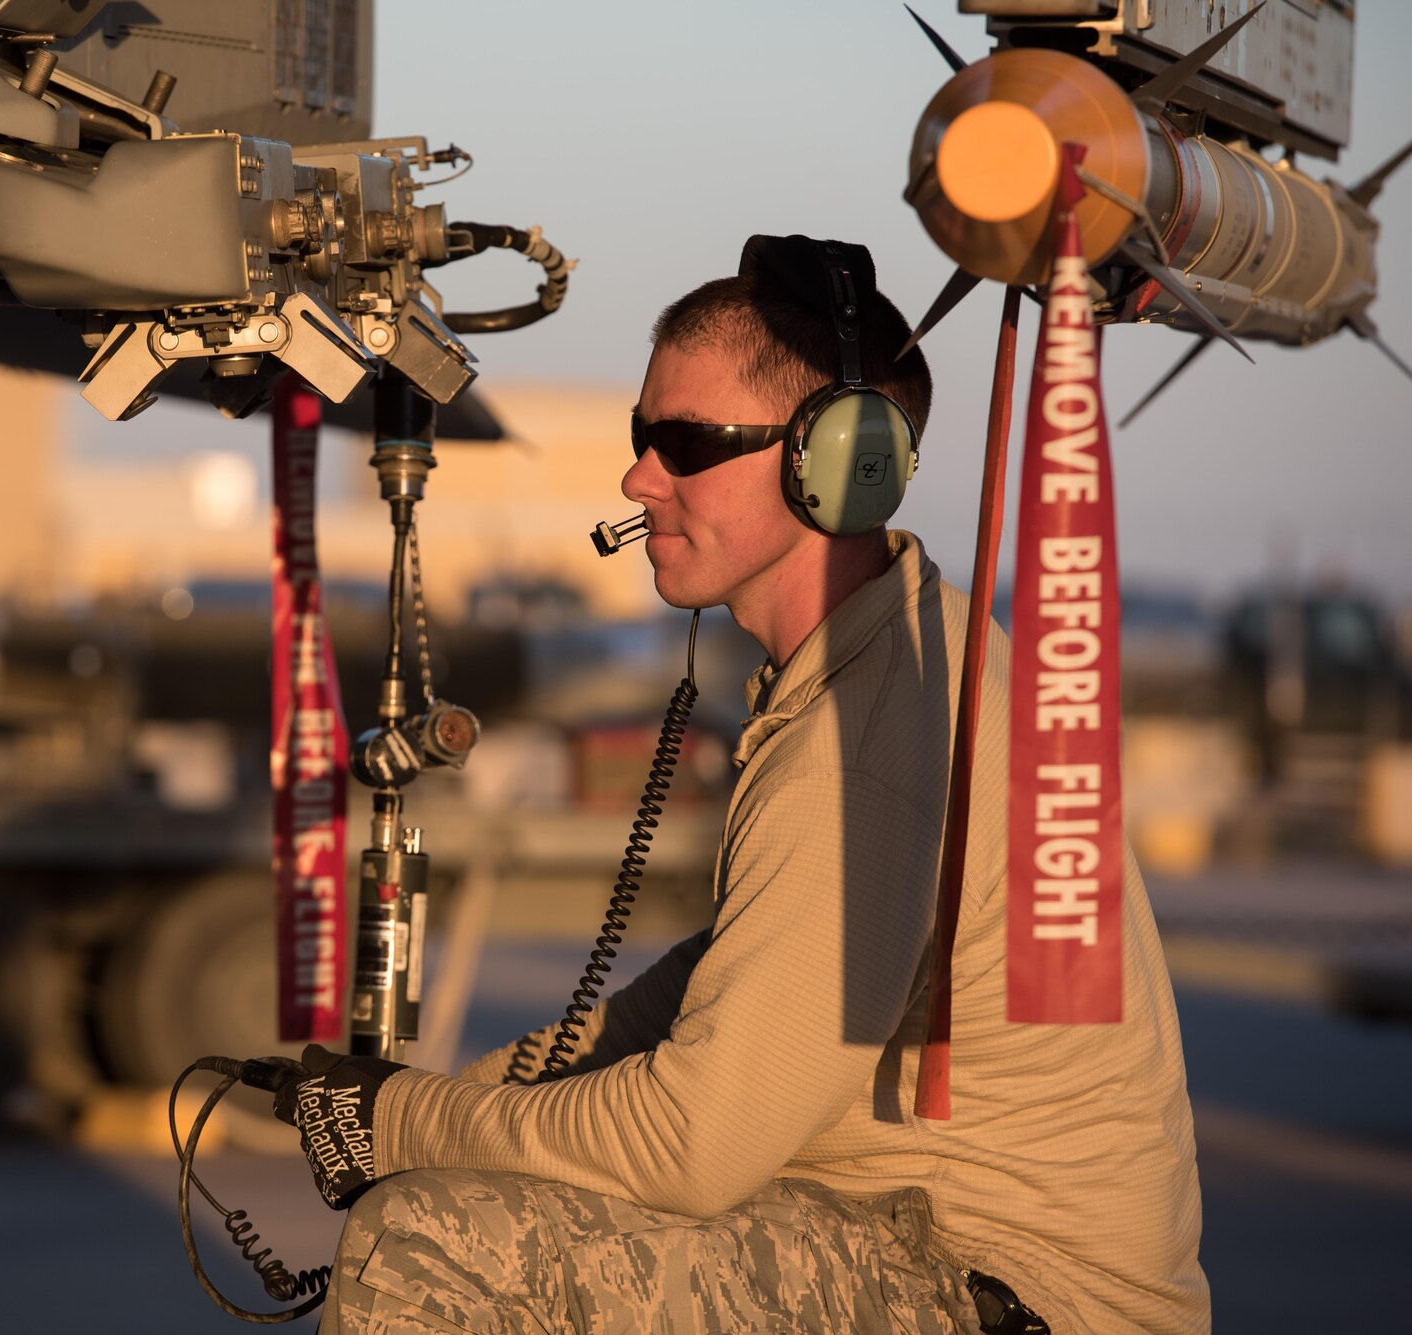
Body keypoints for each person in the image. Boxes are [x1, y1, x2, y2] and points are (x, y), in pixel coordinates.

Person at [274, 235, 1209, 1333]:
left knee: (432, 1238)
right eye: (640, 436)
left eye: (684, 443)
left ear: (836, 459)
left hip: (1005, 1292)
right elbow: (719, 980)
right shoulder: (899, 647)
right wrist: (470, 1094)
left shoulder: (864, 741)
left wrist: (406, 1128)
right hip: (923, 1249)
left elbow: (690, 1142)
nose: (636, 477)